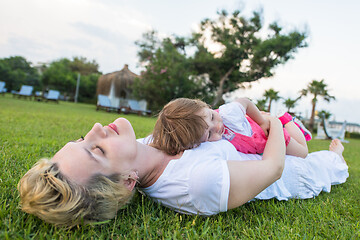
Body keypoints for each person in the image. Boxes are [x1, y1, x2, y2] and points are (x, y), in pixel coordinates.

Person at [18, 115, 348, 227]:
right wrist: (274, 121)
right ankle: (338, 152)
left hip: (257, 144)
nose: (93, 129)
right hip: (297, 172)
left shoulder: (146, 143)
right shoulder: (194, 184)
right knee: (330, 163)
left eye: (81, 140)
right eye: (98, 150)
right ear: (128, 182)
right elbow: (273, 168)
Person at [151, 98, 311, 157]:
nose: (218, 126)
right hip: (257, 143)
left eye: (212, 116)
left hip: (268, 132)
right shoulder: (196, 138)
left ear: (206, 106)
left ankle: (287, 120)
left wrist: (262, 121)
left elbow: (246, 102)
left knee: (303, 152)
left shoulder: (229, 113)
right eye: (209, 134)